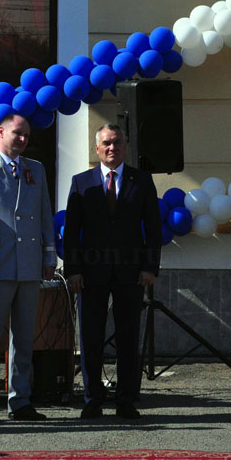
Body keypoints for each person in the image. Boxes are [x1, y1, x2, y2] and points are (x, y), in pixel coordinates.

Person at [63, 124, 162, 420]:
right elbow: (72, 232)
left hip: (131, 273)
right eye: (106, 143)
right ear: (97, 148)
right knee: (90, 337)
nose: (111, 148)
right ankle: (92, 399)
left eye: (117, 143)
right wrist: (73, 270)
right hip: (90, 274)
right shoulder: (81, 182)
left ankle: (126, 400)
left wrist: (149, 267)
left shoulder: (141, 181)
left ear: (126, 146)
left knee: (128, 338)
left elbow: (154, 229)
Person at [0, 113, 57, 423]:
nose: (22, 140)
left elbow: (45, 214)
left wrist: (48, 257)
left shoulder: (36, 170)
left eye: (26, 135)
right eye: (17, 133)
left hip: (29, 265)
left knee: (24, 337)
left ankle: (20, 400)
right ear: (0, 132)